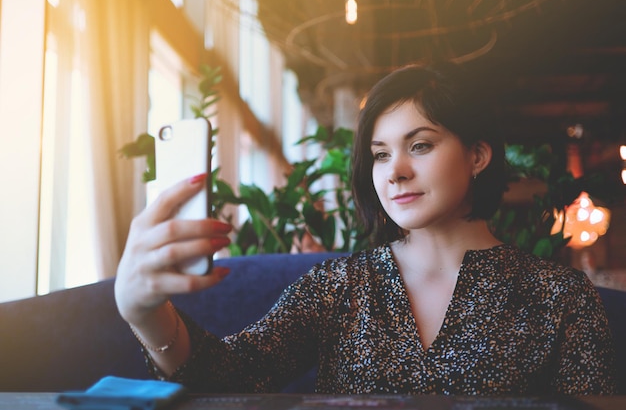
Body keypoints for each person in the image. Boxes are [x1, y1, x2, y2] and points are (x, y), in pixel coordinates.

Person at [114, 63, 616, 395]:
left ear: (478, 155)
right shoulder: (338, 288)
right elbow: (222, 379)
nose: (394, 171)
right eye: (380, 154)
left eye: (419, 145)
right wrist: (142, 309)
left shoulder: (560, 298)